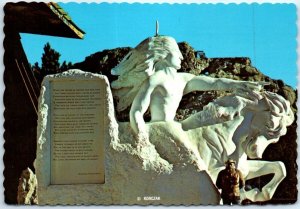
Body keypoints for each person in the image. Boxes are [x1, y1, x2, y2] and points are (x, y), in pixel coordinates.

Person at [111, 35, 262, 141]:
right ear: (163, 54)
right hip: (161, 130)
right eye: (176, 53)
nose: (182, 57)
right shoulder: (156, 79)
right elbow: (137, 111)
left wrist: (238, 85)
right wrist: (142, 136)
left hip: (173, 127)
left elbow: (214, 83)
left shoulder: (183, 79)